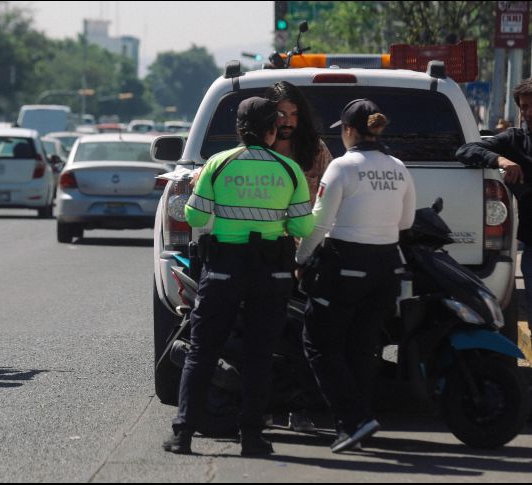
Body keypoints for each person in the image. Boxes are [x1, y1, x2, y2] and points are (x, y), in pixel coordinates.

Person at [163, 97, 315, 456]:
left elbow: (196, 219)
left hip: (224, 269)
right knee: (260, 356)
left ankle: (183, 435)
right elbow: (303, 225)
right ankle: (252, 438)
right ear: (273, 129)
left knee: (202, 351)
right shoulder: (289, 169)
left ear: (239, 130)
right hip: (271, 272)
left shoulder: (218, 164)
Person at [295, 99, 415, 453]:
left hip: (345, 264)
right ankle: (358, 422)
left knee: (318, 342)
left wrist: (301, 259)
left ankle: (354, 421)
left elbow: (319, 224)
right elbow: (405, 223)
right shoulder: (398, 167)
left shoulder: (342, 168)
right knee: (361, 347)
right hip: (387, 266)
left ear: (348, 131)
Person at [266, 80, 334, 434]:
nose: (288, 121)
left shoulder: (316, 150)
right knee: (266, 336)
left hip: (306, 258)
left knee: (305, 338)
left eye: (294, 114)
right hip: (264, 255)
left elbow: (331, 197)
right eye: (281, 114)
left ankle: (301, 410)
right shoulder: (258, 150)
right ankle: (266, 407)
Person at [457, 78, 532, 321]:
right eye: (524, 107)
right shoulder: (515, 140)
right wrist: (501, 161)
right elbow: (466, 150)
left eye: (531, 106)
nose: (527, 113)